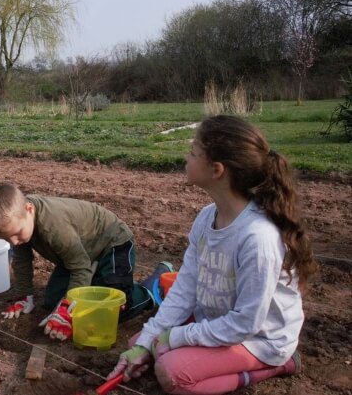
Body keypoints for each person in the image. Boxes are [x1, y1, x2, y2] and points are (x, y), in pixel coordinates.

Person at [107, 115, 315, 395]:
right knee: (140, 346)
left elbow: (246, 323)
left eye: (193, 152)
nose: (186, 156)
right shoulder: (206, 218)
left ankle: (279, 365)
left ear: (217, 170)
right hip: (220, 322)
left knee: (173, 374)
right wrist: (148, 341)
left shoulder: (258, 237)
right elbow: (185, 287)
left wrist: (177, 336)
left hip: (260, 338)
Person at [0, 184, 170, 340]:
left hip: (111, 243)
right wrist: (24, 296)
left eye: (16, 234)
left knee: (111, 309)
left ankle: (150, 289)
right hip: (78, 255)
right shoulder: (20, 221)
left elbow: (80, 267)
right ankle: (97, 280)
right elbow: (22, 260)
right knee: (53, 301)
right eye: (7, 238)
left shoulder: (53, 226)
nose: (13, 242)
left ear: (29, 210)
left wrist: (67, 309)